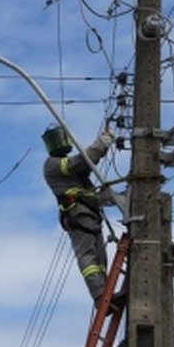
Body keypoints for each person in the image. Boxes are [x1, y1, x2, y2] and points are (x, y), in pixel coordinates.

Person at [42, 124, 120, 314]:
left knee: (100, 259)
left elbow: (88, 170)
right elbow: (82, 160)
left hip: (91, 215)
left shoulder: (78, 175)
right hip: (77, 214)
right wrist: (101, 144)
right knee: (88, 258)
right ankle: (100, 295)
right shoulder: (52, 164)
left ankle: (106, 293)